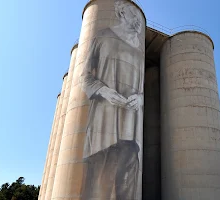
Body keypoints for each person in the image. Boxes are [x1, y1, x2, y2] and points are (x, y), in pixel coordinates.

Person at [80, 1, 144, 199]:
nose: (138, 23)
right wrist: (103, 90)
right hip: (103, 126)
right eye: (134, 16)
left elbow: (141, 85)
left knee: (128, 188)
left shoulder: (140, 49)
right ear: (122, 12)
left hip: (131, 132)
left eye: (139, 20)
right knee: (98, 186)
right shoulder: (103, 36)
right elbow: (83, 77)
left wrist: (141, 98)